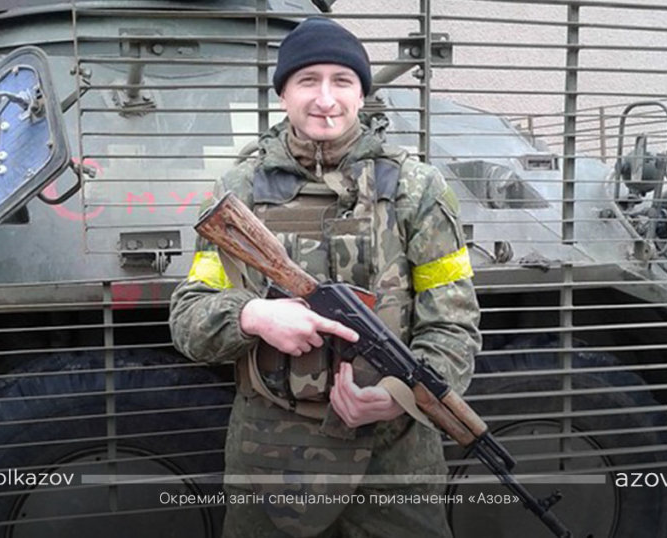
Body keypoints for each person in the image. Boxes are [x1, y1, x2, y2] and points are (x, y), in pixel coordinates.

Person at [170, 16, 481, 538]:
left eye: (342, 81)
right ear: (283, 94)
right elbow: (189, 315)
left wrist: (398, 396)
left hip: (393, 462)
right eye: (307, 81)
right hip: (270, 460)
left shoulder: (416, 188)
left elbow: (454, 323)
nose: (325, 99)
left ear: (362, 94)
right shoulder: (238, 192)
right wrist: (253, 316)